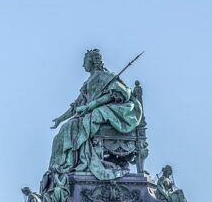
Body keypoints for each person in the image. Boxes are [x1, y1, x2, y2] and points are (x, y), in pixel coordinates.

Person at [49, 49, 143, 181]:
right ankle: (64, 166)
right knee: (64, 129)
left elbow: (121, 94)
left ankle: (76, 164)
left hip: (112, 114)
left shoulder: (106, 77)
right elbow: (76, 106)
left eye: (85, 62)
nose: (83, 65)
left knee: (77, 124)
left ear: (92, 62)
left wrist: (92, 105)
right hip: (90, 115)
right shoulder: (88, 83)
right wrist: (60, 119)